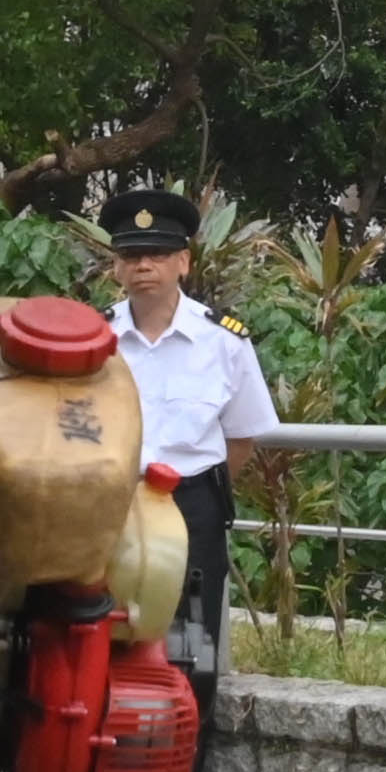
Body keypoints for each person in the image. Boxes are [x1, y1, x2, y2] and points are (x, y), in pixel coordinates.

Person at [102, 186, 276, 699]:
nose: (144, 266)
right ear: (116, 268)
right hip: (110, 504)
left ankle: (189, 748)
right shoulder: (95, 340)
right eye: (132, 255)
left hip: (191, 505)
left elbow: (241, 437)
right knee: (105, 631)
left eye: (158, 253)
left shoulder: (223, 341)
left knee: (190, 645)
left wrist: (195, 493)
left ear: (184, 261)